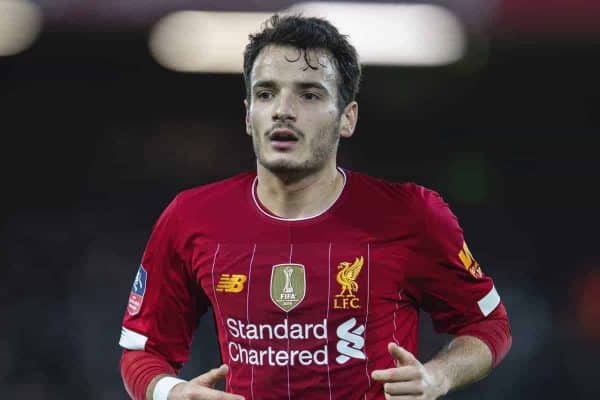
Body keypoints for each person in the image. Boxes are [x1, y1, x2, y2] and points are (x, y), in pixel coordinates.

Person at [118, 14, 511, 400]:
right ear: (248, 115)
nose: (282, 110)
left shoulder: (412, 215)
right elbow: (142, 350)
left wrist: (437, 377)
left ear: (347, 117)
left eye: (308, 94)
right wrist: (170, 392)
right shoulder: (191, 217)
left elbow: (488, 325)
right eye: (266, 93)